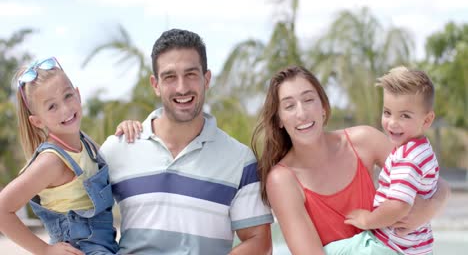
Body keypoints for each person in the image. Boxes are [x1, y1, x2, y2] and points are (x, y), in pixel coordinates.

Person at [100, 28, 274, 255]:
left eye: (191, 74)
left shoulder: (240, 160)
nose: (182, 87)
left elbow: (259, 242)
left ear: (207, 79)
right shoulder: (118, 149)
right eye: (170, 77)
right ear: (155, 84)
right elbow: (81, 220)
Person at [250, 65, 449, 255]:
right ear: (279, 120)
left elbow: (434, 180)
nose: (302, 113)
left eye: (309, 100)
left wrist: (430, 208)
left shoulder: (364, 141)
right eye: (289, 106)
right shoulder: (282, 180)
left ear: (323, 107)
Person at [0, 57, 119, 255]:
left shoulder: (86, 144)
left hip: (106, 247)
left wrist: (126, 129)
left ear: (78, 95)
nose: (65, 109)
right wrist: (45, 250)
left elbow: (116, 160)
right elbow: (2, 209)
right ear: (37, 121)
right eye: (52, 107)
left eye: (67, 96)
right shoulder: (52, 160)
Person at [324, 67, 440, 254]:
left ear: (427, 120)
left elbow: (399, 206)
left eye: (405, 115)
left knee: (328, 251)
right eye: (387, 112)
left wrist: (367, 220)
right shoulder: (422, 149)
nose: (392, 122)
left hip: (389, 247)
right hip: (414, 246)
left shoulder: (407, 158)